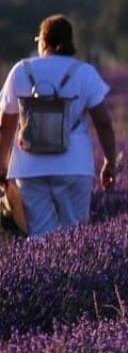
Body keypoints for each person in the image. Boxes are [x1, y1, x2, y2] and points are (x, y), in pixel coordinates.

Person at [0, 15, 119, 238]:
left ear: (43, 41)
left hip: (29, 168)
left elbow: (6, 124)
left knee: (38, 236)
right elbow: (103, 122)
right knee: (76, 235)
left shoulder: (21, 70)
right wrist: (110, 162)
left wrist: (1, 164)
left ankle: (45, 271)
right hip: (74, 165)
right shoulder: (84, 72)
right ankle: (78, 273)